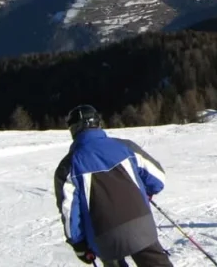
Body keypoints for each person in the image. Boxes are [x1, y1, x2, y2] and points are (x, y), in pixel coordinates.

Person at [54, 105, 173, 266]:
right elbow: (158, 179)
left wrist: (79, 244)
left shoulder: (68, 167)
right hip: (141, 227)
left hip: (104, 236)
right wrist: (147, 191)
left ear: (73, 130)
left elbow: (70, 214)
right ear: (97, 123)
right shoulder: (125, 147)